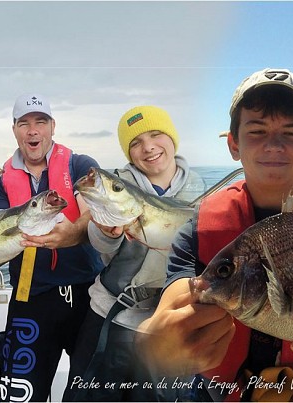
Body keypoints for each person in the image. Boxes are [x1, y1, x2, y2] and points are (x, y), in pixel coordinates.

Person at [138, 69, 293, 401]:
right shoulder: (197, 230)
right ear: (234, 144)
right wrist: (156, 342)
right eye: (257, 131)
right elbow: (175, 300)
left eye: (291, 132)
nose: (273, 145)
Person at [65, 106, 205, 401]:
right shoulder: (117, 182)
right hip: (109, 314)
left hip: (166, 321)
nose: (148, 147)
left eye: (155, 135)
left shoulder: (203, 191)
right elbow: (102, 246)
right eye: (136, 143)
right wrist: (107, 232)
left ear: (172, 138)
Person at [0, 93, 104, 402]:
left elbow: (90, 213)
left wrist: (74, 234)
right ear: (14, 129)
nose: (33, 130)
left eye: (40, 122)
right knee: (18, 395)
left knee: (91, 394)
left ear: (52, 126)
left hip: (86, 295)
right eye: (24, 123)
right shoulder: (0, 182)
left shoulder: (80, 164)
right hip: (30, 296)